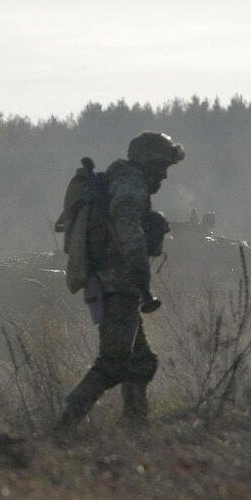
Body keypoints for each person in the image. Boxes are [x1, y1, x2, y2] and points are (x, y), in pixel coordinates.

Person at [55, 131, 184, 431]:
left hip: (116, 283)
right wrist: (141, 272)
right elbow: (127, 226)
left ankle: (135, 425)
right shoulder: (130, 184)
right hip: (119, 284)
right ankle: (63, 427)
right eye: (161, 166)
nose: (164, 175)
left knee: (141, 363)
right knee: (113, 363)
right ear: (147, 163)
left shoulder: (122, 181)